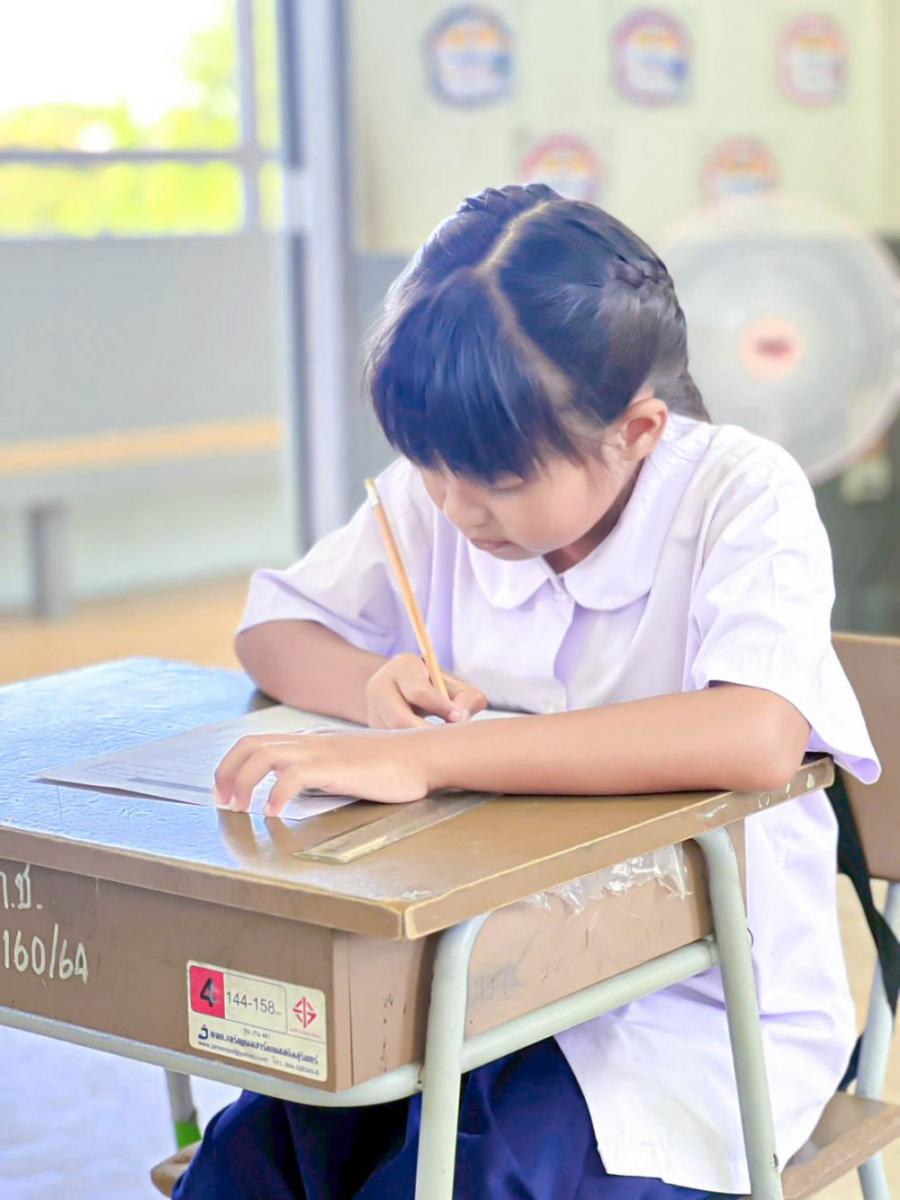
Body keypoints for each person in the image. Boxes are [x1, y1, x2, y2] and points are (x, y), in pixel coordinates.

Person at [175, 184, 879, 1199]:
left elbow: (757, 731)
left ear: (636, 431)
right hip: (463, 982)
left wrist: (425, 757)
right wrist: (371, 683)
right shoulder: (446, 489)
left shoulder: (741, 492)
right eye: (430, 467)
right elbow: (274, 631)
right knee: (255, 1152)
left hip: (688, 1015)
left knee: (469, 1175)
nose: (457, 507)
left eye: (498, 482)